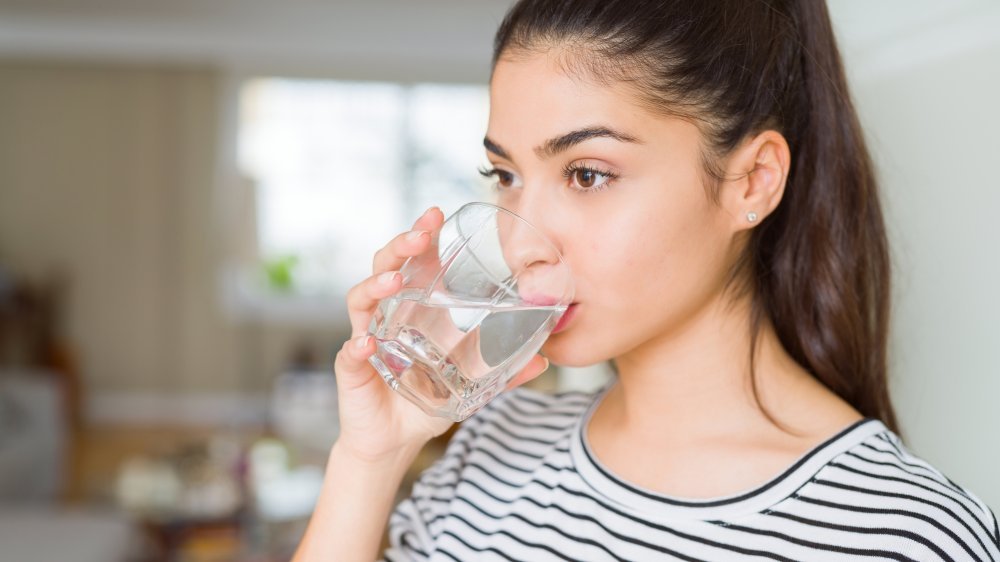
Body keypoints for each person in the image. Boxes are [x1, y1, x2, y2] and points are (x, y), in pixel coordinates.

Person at [294, 0, 1000, 560]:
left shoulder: (902, 536)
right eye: (504, 176)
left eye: (587, 174)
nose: (518, 244)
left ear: (750, 181)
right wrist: (370, 458)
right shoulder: (494, 443)